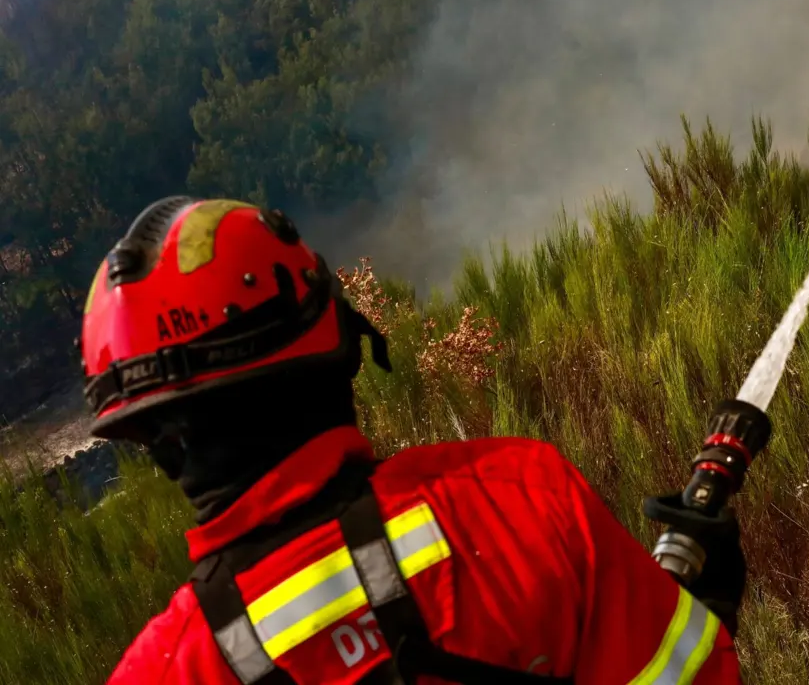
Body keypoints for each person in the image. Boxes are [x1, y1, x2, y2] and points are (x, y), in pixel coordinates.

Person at [81, 196, 746, 684]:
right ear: (339, 348)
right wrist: (694, 613)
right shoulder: (518, 498)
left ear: (152, 441)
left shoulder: (164, 670)